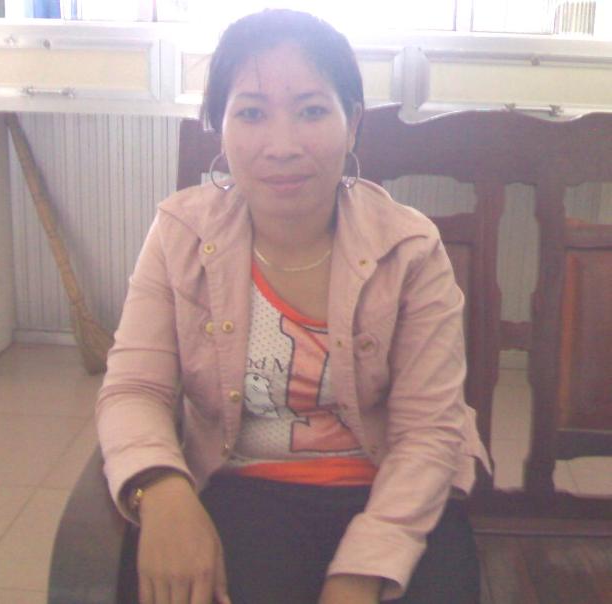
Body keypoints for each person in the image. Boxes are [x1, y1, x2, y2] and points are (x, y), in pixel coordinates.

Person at [96, 8, 490, 604]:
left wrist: (359, 573)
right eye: (252, 113)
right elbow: (134, 389)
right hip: (240, 487)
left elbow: (429, 432)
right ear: (220, 127)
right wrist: (162, 488)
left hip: (394, 491)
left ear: (351, 123)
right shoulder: (181, 234)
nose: (282, 147)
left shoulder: (409, 249)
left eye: (311, 111)